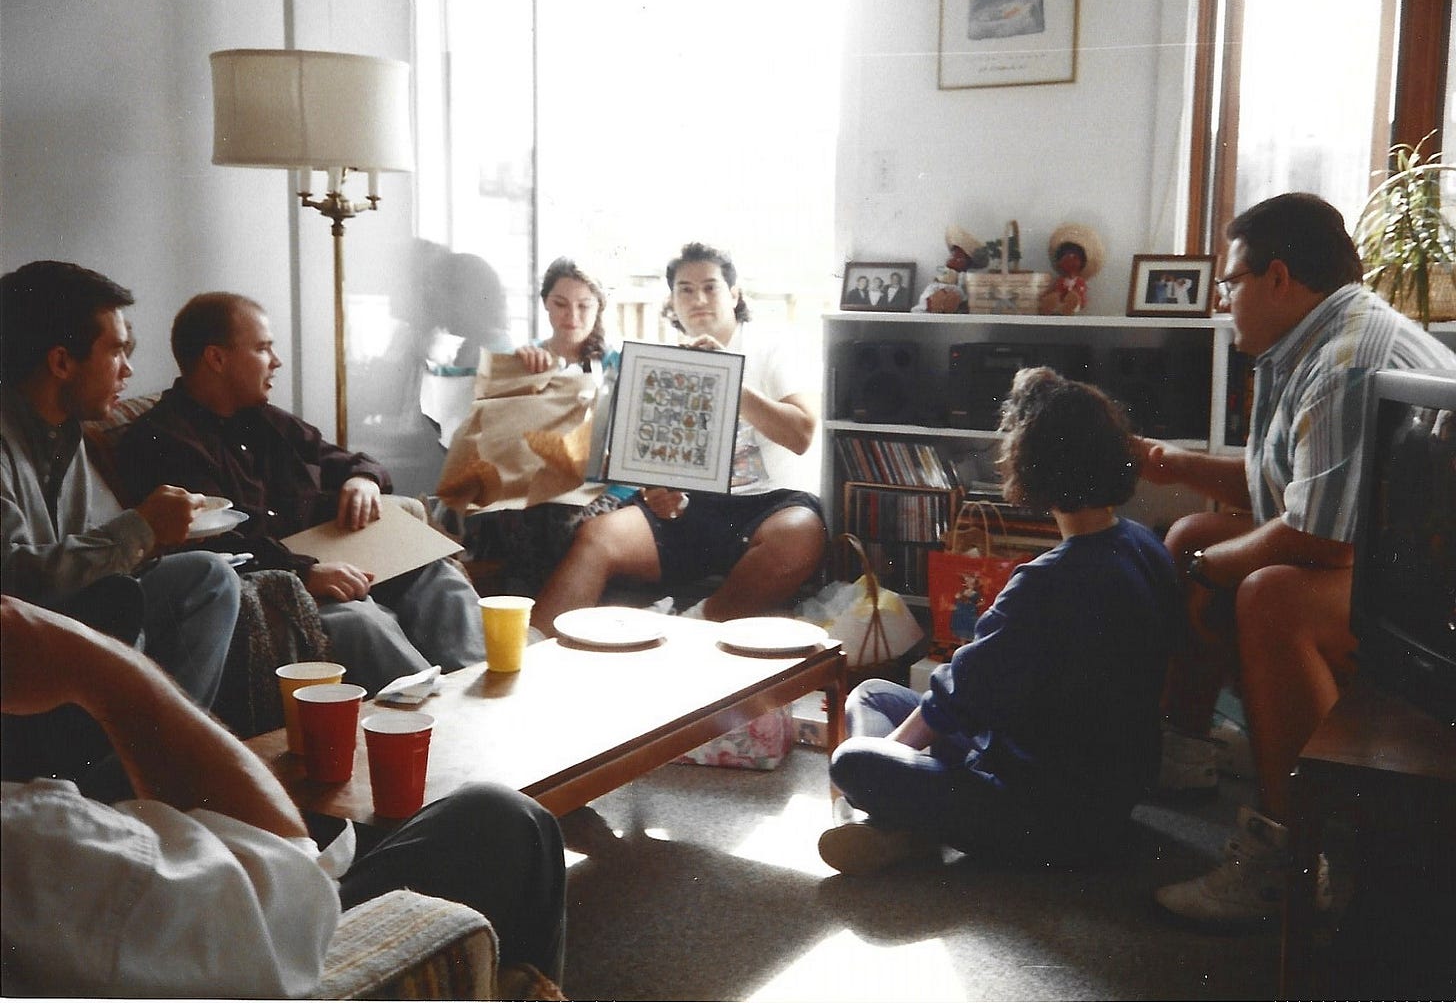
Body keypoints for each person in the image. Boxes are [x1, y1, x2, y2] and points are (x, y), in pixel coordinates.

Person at [1138, 192, 1456, 927]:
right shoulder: (1316, 338)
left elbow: (1319, 536)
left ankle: (1298, 852)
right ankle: (1186, 755)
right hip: (1404, 563)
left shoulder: (1345, 360)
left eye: (1230, 283)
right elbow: (1291, 487)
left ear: (1277, 277)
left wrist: (1206, 574)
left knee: (1269, 596)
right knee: (1191, 533)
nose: (1223, 301)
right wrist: (1177, 467)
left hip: (1433, 596)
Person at [0, 594, 567, 996]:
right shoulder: (30, 842)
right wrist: (105, 670)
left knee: (426, 589)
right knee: (504, 819)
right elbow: (288, 891)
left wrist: (361, 481)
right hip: (283, 942)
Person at [818, 367, 1181, 875]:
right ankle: (903, 827)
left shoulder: (1045, 581)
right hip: (1111, 796)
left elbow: (956, 699)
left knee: (853, 760)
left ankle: (893, 825)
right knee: (873, 693)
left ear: (1033, 467)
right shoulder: (1147, 546)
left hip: (1042, 812)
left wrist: (881, 777)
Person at [117, 292, 485, 692]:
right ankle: (440, 717)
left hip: (336, 553)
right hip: (283, 579)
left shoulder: (264, 419)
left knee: (438, 579)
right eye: (262, 348)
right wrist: (304, 573)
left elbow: (344, 459)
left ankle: (485, 696)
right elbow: (216, 546)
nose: (276, 361)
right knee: (361, 622)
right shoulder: (163, 441)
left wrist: (363, 479)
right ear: (217, 359)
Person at [0, 261, 241, 796]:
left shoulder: (67, 436)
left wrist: (152, 537)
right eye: (116, 351)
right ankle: (129, 787)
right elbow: (12, 578)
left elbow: (98, 545)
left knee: (207, 579)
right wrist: (140, 531)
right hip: (18, 650)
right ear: (62, 361)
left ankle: (162, 766)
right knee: (124, 601)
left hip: (67, 625)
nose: (128, 370)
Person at [531, 242, 826, 634]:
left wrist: (730, 383)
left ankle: (694, 626)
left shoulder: (772, 346)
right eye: (685, 289)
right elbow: (657, 457)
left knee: (801, 534)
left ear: (734, 295)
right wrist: (658, 488)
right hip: (694, 506)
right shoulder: (667, 359)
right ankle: (530, 652)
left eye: (710, 287)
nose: (698, 298)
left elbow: (802, 433)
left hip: (769, 504)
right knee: (597, 536)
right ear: (673, 301)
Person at [466, 257, 632, 594]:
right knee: (513, 512)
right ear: (545, 304)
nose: (572, 317)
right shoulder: (525, 358)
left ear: (598, 308)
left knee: (562, 519)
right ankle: (522, 608)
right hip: (535, 482)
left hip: (602, 486)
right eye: (561, 304)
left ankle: (547, 615)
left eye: (584, 306)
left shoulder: (617, 365)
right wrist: (522, 378)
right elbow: (495, 436)